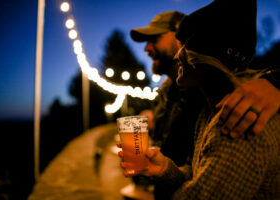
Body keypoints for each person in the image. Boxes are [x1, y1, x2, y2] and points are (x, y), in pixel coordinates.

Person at [119, 0, 280, 199]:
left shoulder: (237, 119)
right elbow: (200, 173)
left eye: (183, 42)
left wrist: (275, 81)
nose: (146, 48)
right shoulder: (202, 107)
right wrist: (164, 169)